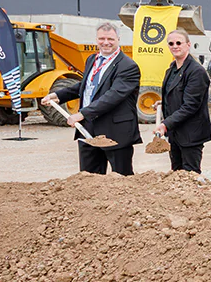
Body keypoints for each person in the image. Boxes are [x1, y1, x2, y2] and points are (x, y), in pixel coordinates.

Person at [43, 22, 140, 175]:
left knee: (122, 180)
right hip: (88, 128)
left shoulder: (128, 66)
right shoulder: (92, 59)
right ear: (96, 39)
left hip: (115, 131)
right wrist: (59, 95)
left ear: (118, 39)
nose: (106, 42)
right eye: (102, 38)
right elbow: (87, 85)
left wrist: (82, 113)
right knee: (88, 179)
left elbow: (113, 95)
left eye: (110, 39)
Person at [154, 29, 211, 173]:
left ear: (188, 45)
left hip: (190, 135)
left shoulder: (196, 71)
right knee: (176, 173)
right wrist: (164, 102)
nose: (175, 46)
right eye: (171, 43)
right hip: (175, 134)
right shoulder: (172, 69)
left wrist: (165, 124)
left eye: (179, 42)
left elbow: (191, 105)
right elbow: (177, 94)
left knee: (190, 176)